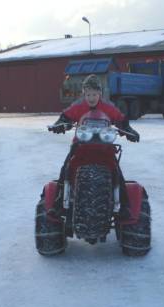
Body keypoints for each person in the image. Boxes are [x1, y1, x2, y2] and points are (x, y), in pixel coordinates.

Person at [48, 74, 139, 218]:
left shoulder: (108, 107)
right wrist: (60, 124)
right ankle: (59, 202)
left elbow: (120, 119)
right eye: (88, 94)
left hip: (105, 147)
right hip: (80, 146)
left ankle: (125, 205)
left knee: (116, 171)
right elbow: (66, 116)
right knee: (67, 168)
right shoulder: (79, 106)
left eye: (94, 94)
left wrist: (129, 130)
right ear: (84, 93)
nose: (91, 98)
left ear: (100, 94)